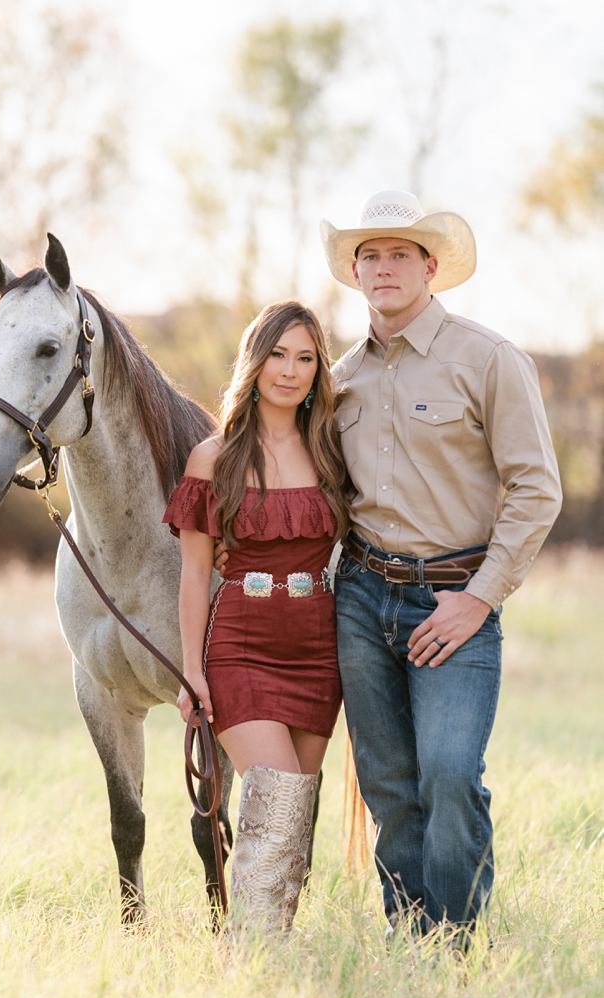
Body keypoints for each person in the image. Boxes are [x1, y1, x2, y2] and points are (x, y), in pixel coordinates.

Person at [317, 189, 562, 936]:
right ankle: (409, 936)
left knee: (450, 774)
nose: (384, 268)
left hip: (456, 598)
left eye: (399, 254)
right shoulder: (338, 378)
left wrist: (480, 598)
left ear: (430, 266)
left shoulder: (488, 360)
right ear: (355, 273)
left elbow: (536, 489)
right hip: (361, 599)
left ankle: (455, 943)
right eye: (370, 256)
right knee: (389, 785)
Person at [166, 300, 349, 933]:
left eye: (305, 358)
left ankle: (273, 954)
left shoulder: (332, 450)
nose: (290, 371)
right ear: (254, 359)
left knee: (296, 816)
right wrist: (192, 671)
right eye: (277, 354)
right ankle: (251, 959)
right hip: (242, 645)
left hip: (318, 650)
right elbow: (194, 573)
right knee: (273, 802)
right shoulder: (212, 459)